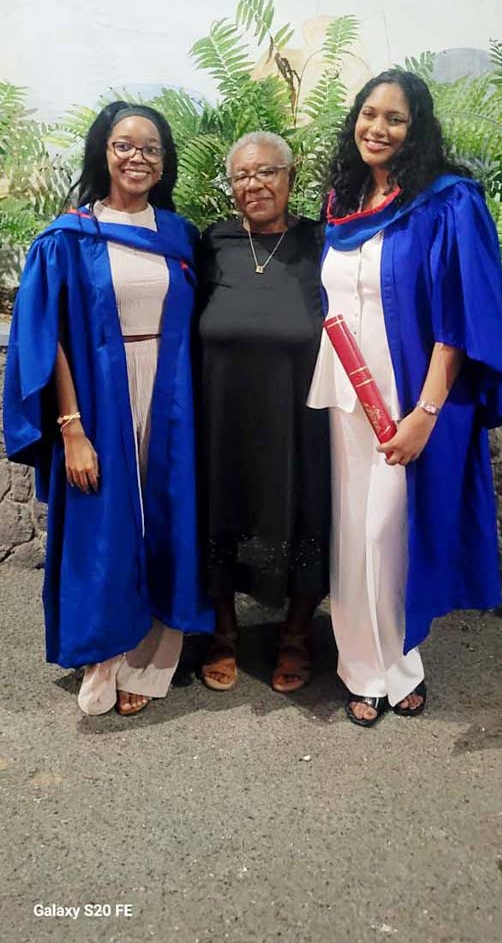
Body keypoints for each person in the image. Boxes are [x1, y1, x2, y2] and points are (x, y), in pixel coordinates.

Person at [308, 71, 502, 727]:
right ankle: (360, 669)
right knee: (351, 534)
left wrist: (425, 414)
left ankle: (401, 663)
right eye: (370, 114)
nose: (379, 128)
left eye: (395, 118)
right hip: (344, 389)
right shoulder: (341, 201)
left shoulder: (445, 202)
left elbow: (461, 318)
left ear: (416, 128)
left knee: (389, 531)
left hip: (408, 395)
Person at [3, 101, 213, 716]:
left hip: (171, 393)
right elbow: (52, 337)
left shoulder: (178, 236)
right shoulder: (69, 235)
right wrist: (72, 428)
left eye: (150, 147)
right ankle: (105, 656)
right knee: (107, 526)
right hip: (98, 397)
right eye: (125, 145)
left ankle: (151, 666)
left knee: (167, 519)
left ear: (164, 160)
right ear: (104, 151)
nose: (137, 157)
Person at [197, 131, 330, 692]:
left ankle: (295, 637)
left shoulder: (320, 243)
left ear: (289, 175)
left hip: (301, 418)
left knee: (304, 515)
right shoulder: (212, 243)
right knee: (221, 513)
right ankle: (223, 634)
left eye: (266, 172)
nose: (254, 185)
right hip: (222, 416)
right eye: (242, 176)